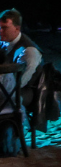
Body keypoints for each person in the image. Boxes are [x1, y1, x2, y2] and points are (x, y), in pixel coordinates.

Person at [0, 8, 40, 156]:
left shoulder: (29, 51)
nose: (0, 31)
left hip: (26, 91)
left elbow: (23, 80)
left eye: (4, 28)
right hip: (9, 87)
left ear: (17, 28)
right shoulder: (5, 44)